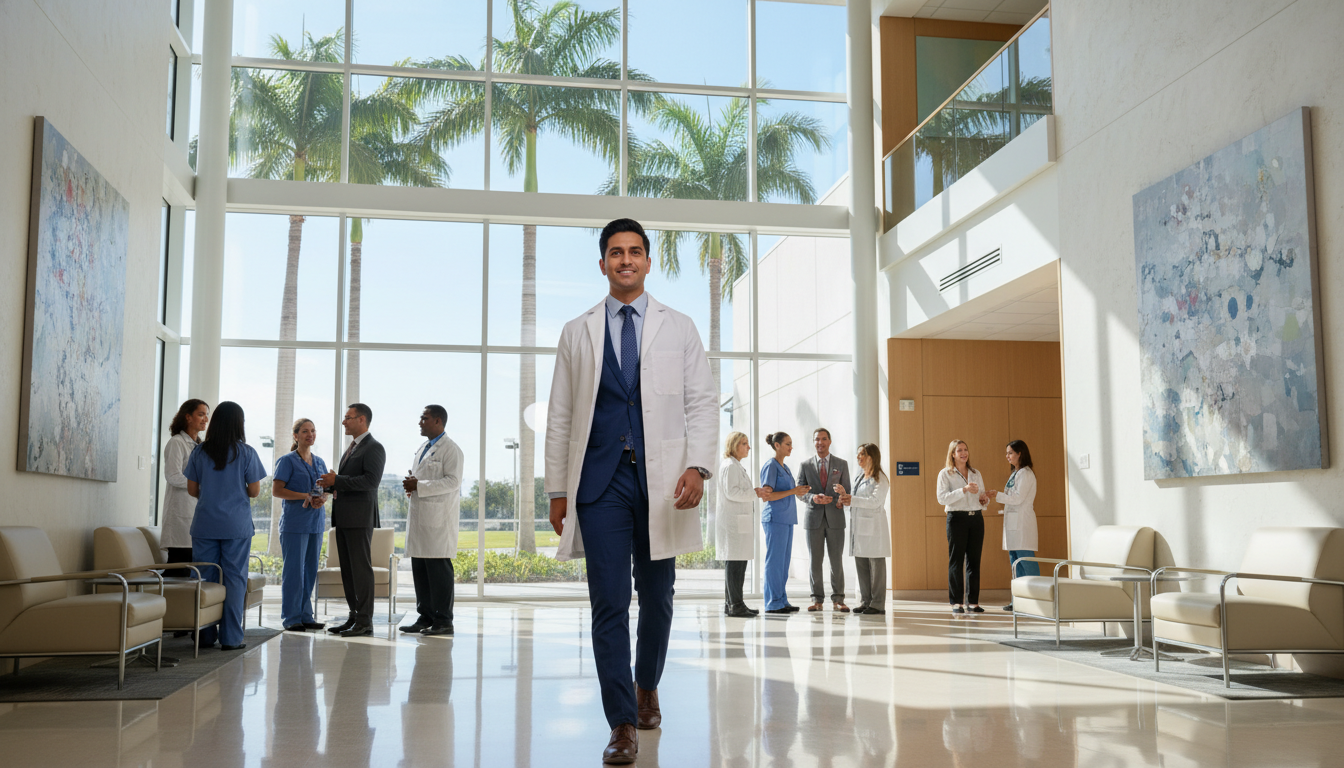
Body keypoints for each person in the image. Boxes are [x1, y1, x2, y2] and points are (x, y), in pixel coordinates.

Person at [545, 218, 718, 765]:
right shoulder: (578, 330)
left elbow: (702, 403)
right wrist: (556, 490)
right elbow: (560, 415)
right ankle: (621, 722)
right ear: (602, 264)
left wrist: (698, 467)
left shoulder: (680, 326)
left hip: (662, 480)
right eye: (616, 253)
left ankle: (647, 685)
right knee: (609, 603)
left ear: (648, 262)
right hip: (598, 482)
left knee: (659, 597)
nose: (626, 260)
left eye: (635, 252)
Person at [184, 401, 267, 650]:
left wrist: (213, 495)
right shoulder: (247, 452)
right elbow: (254, 491)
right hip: (236, 526)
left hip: (205, 524)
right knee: (234, 580)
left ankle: (204, 636)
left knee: (204, 579)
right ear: (238, 424)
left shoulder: (199, 452)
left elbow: (191, 489)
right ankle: (231, 638)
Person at [317, 403, 387, 638]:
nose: (344, 422)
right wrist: (330, 484)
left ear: (362, 419)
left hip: (359, 518)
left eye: (348, 417)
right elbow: (347, 480)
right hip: (345, 518)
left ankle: (365, 621)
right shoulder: (352, 447)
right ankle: (354, 616)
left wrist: (338, 480)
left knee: (360, 570)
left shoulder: (374, 447)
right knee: (348, 571)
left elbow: (370, 482)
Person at [400, 404, 463, 637]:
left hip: (438, 521)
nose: (420, 422)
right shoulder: (423, 448)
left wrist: (420, 486)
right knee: (420, 570)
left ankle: (444, 621)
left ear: (438, 421)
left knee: (438, 572)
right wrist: (413, 484)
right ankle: (425, 616)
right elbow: (423, 477)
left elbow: (453, 482)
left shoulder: (451, 449)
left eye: (424, 418)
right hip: (421, 518)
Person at [272, 418, 330, 633]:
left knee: (310, 571)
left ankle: (306, 615)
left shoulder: (320, 462)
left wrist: (322, 498)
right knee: (294, 572)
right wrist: (304, 496)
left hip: (315, 523)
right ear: (295, 436)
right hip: (294, 524)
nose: (310, 434)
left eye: (313, 431)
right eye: (305, 431)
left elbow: (325, 489)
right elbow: (277, 491)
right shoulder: (287, 461)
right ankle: (291, 618)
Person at [799, 428, 851, 612]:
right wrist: (812, 498)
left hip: (835, 519)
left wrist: (839, 501)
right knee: (815, 560)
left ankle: (838, 599)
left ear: (830, 441)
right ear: (813, 442)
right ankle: (817, 599)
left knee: (836, 560)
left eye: (823, 439)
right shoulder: (805, 465)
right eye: (816, 439)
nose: (820, 442)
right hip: (813, 519)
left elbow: (847, 492)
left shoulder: (842, 464)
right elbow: (800, 491)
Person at [986, 439, 1040, 612]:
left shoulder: (1026, 473)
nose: (1007, 456)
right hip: (1013, 523)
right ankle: (1017, 600)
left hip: (1023, 523)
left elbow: (1018, 498)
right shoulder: (1015, 474)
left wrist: (998, 495)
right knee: (1015, 563)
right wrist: (999, 496)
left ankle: (1036, 600)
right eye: (1007, 453)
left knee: (1026, 562)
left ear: (1020, 454)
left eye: (1010, 453)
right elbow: (1012, 497)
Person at [937, 439, 989, 614]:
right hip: (956, 519)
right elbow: (942, 498)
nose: (963, 453)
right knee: (956, 561)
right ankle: (956, 602)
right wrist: (964, 490)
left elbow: (981, 496)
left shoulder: (976, 473)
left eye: (965, 449)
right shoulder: (945, 474)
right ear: (953, 454)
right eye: (959, 450)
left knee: (974, 561)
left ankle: (973, 602)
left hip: (976, 519)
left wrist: (984, 499)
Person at [837, 443, 890, 615]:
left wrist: (852, 499)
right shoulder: (860, 476)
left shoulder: (880, 478)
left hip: (874, 530)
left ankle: (878, 604)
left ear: (871, 457)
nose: (858, 457)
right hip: (859, 529)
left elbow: (875, 502)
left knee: (876, 567)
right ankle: (865, 601)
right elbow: (856, 500)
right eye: (858, 454)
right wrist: (845, 498)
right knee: (862, 566)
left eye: (862, 454)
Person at [760, 432, 807, 616]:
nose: (791, 447)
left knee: (784, 562)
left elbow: (789, 491)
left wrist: (799, 491)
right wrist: (793, 490)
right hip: (775, 518)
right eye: (787, 444)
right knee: (774, 562)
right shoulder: (771, 466)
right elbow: (767, 496)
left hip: (787, 519)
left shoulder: (785, 467)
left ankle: (781, 600)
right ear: (777, 445)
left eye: (791, 444)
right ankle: (772, 603)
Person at [162, 399, 208, 581]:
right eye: (201, 414)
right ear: (188, 417)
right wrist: (199, 486)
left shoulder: (200, 446)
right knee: (179, 570)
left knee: (192, 572)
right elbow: (173, 475)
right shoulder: (177, 442)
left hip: (196, 513)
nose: (205, 419)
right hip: (180, 514)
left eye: (206, 415)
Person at [716, 431, 761, 618]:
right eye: (744, 443)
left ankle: (732, 603)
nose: (748, 447)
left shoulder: (735, 466)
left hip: (737, 522)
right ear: (734, 445)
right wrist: (754, 492)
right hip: (733, 524)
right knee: (735, 566)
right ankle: (736, 604)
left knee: (737, 564)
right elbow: (732, 492)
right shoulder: (730, 466)